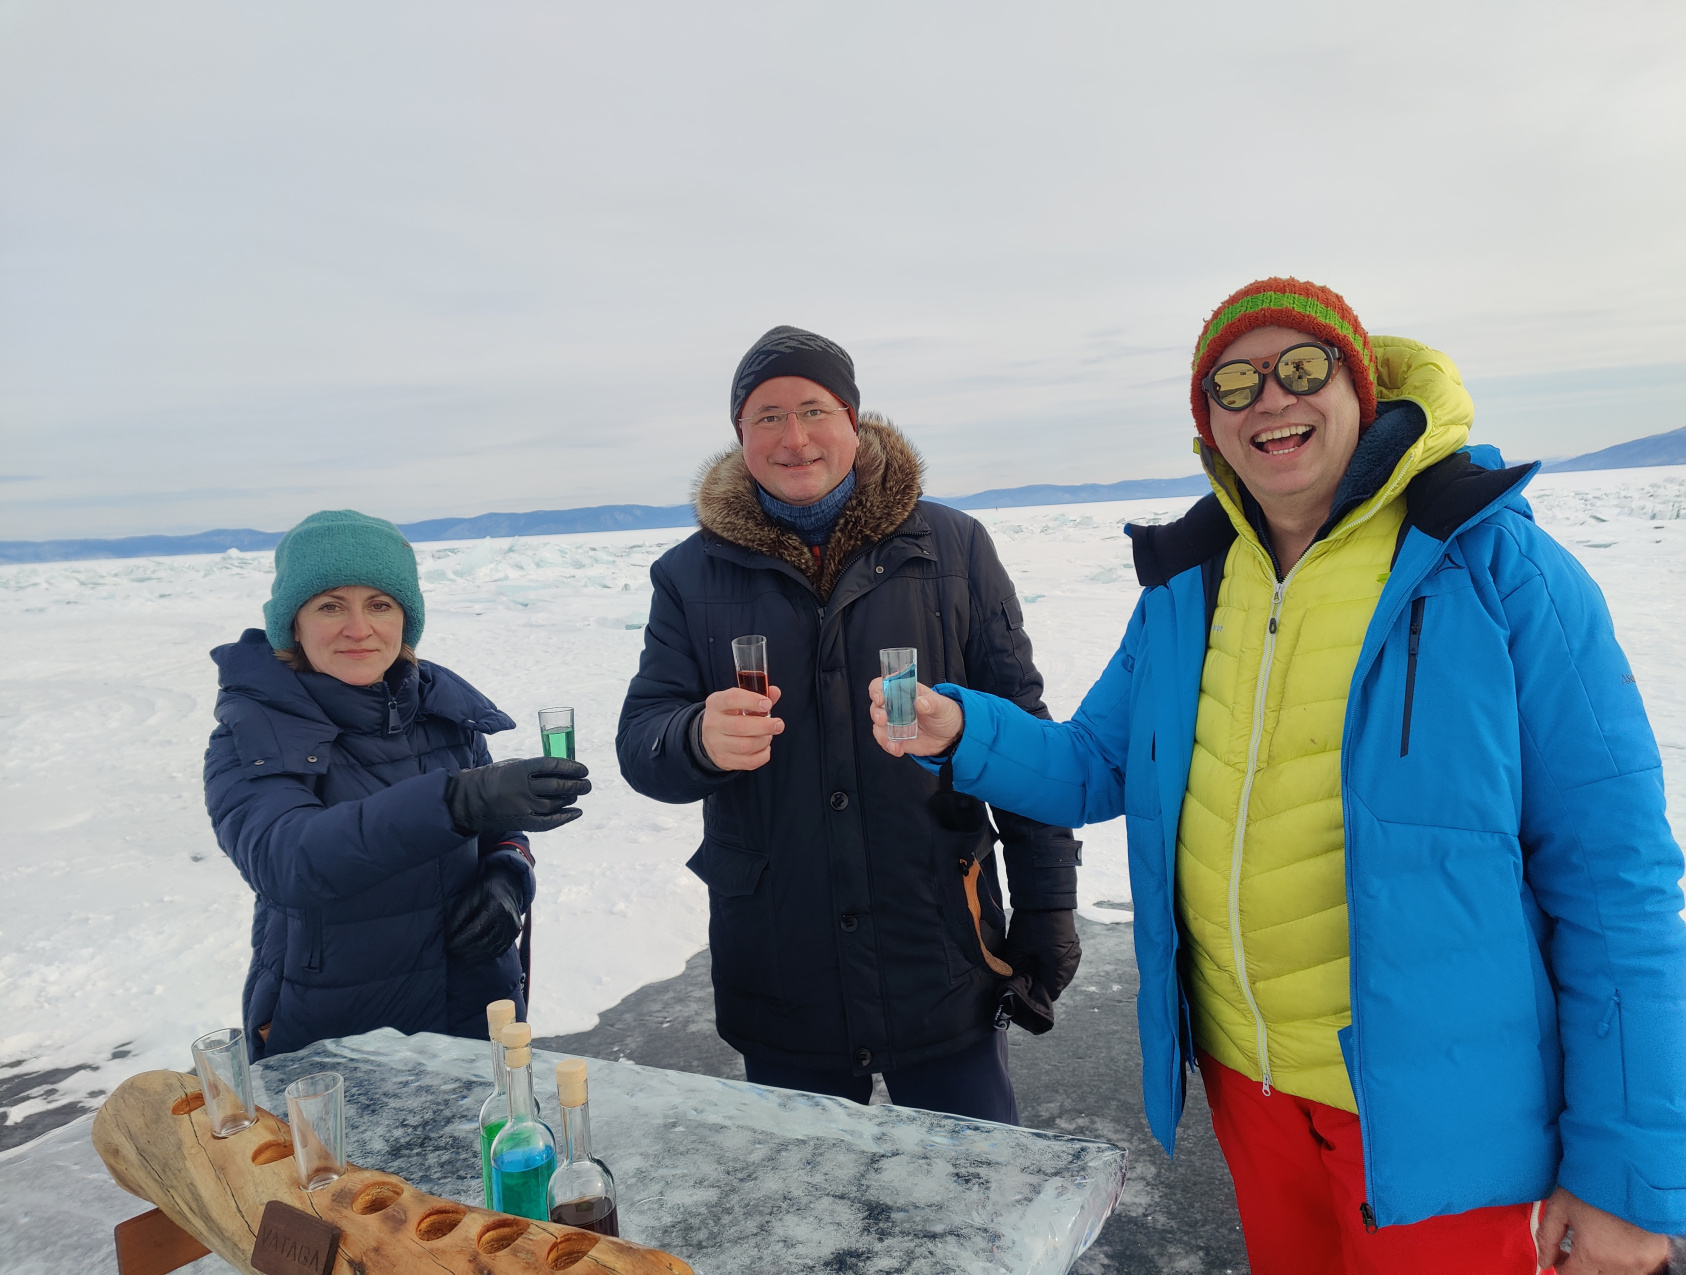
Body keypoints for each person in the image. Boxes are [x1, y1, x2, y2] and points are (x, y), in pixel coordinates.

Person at [869, 280, 1686, 1272]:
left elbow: (1614, 881)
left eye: (1302, 368)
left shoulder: (1494, 568)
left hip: (1449, 1120)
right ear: (1209, 428)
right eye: (1233, 383)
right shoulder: (1189, 589)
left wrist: (1625, 1176)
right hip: (1253, 1089)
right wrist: (963, 728)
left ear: (1359, 390)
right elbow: (1096, 763)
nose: (1268, 398)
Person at [616, 326, 1084, 1123]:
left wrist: (1048, 903)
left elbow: (1024, 735)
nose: (794, 438)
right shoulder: (690, 575)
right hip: (782, 966)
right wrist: (694, 737)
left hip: (939, 950)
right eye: (767, 417)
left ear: (853, 420)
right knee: (806, 1195)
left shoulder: (953, 549)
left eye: (813, 410)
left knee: (973, 1188)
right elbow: (642, 739)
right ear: (739, 433)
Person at [204, 509, 590, 1060]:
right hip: (339, 1039)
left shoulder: (444, 711)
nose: (359, 628)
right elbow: (286, 861)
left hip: (475, 1014)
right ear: (293, 623)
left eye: (380, 605)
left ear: (406, 619)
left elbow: (498, 833)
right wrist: (457, 801)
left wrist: (507, 878)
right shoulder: (256, 729)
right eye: (330, 606)